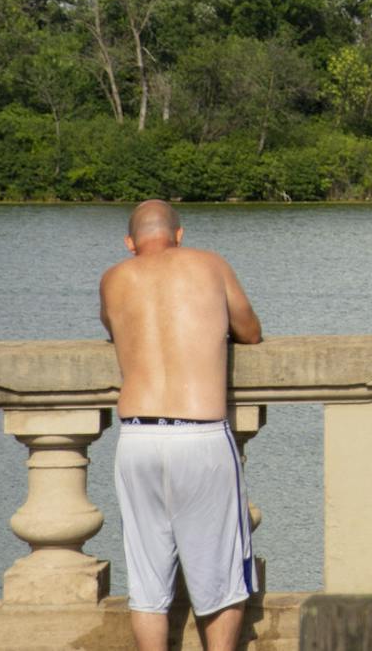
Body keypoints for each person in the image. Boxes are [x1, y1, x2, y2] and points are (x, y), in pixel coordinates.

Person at [99, 200, 263, 651]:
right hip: (200, 435)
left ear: (130, 243)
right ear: (180, 234)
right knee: (222, 577)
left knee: (148, 583)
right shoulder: (209, 265)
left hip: (137, 436)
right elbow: (250, 330)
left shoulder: (113, 278)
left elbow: (114, 328)